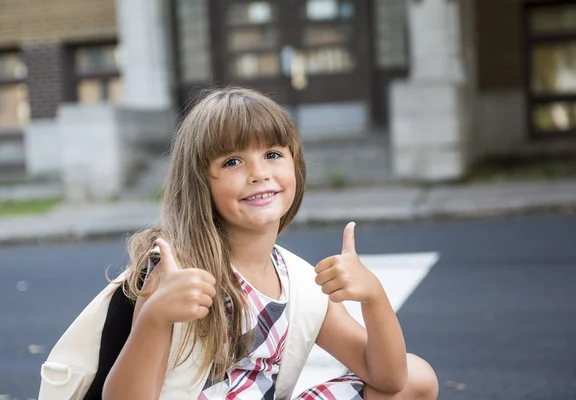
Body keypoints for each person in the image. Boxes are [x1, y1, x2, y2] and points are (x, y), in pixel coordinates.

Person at [102, 87, 438, 400]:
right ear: (199, 182)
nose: (259, 173)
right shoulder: (182, 274)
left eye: (273, 154)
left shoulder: (298, 282)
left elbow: (390, 378)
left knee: (416, 377)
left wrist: (374, 296)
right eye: (232, 161)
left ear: (296, 165)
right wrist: (154, 318)